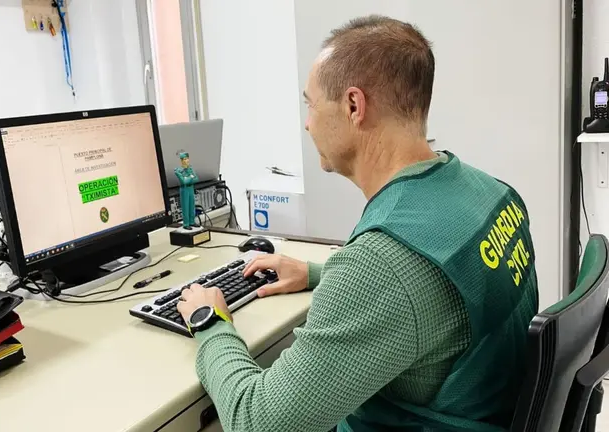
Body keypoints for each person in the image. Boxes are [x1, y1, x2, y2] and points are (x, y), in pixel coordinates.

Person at [176, 15, 538, 432]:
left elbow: (258, 421)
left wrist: (211, 323)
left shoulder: (381, 265)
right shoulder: (492, 193)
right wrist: (317, 273)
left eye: (310, 105)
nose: (308, 123)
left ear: (353, 106)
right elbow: (439, 293)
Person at [174, 151, 199, 230]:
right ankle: (186, 224)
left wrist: (189, 178)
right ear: (181, 160)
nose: (187, 160)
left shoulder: (190, 169)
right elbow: (183, 182)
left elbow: (196, 179)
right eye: (184, 159)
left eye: (187, 158)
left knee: (192, 205)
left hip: (191, 188)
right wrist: (191, 177)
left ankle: (192, 221)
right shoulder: (178, 170)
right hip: (184, 190)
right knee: (185, 206)